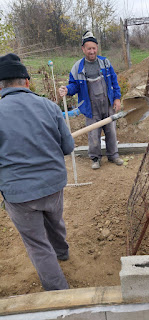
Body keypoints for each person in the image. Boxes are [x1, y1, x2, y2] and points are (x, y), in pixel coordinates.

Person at [0, 53, 74, 291]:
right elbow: (68, 147)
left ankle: (59, 294)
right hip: (53, 184)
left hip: (18, 193)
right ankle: (62, 252)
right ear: (27, 82)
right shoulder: (49, 107)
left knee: (38, 245)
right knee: (55, 221)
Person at [59, 31, 124, 170]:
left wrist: (117, 98)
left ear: (97, 48)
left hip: (107, 103)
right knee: (93, 133)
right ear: (83, 49)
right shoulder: (77, 67)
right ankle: (95, 158)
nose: (92, 51)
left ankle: (113, 155)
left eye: (94, 48)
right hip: (91, 107)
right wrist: (67, 90)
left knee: (111, 131)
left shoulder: (105, 62)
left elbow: (114, 81)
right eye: (89, 48)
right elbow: (74, 85)